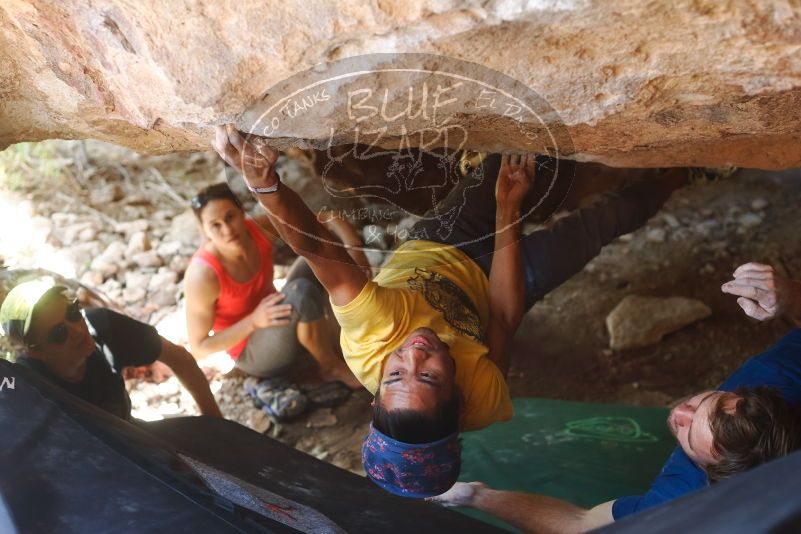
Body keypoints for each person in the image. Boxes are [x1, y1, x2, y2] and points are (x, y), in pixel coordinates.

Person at [211, 124, 689, 497]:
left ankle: (509, 178)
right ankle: (680, 172)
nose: (414, 354)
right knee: (601, 224)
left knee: (524, 152)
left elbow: (320, 253)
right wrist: (508, 211)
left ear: (376, 396)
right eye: (430, 376)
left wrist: (264, 183)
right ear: (458, 401)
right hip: (498, 286)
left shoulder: (373, 335)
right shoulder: (480, 402)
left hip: (442, 241)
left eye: (396, 375)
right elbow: (502, 318)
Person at [430, 261, 801, 531]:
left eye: (689, 435)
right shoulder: (778, 377)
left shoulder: (682, 500)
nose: (679, 413)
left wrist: (477, 497)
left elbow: (580, 524)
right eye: (704, 402)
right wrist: (790, 297)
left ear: (709, 471)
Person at [184, 183, 363, 420]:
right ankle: (330, 367)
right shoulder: (202, 275)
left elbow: (325, 219)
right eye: (215, 225)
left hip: (276, 313)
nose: (227, 230)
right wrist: (253, 321)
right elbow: (199, 348)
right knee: (300, 293)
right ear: (203, 231)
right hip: (252, 352)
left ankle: (354, 325)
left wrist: (355, 248)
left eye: (230, 217)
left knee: (320, 254)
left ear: (241, 211)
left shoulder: (258, 229)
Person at [0, 277, 222, 420]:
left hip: (131, 436)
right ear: (36, 353)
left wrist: (215, 422)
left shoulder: (103, 326)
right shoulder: (27, 388)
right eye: (58, 333)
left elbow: (180, 358)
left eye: (73, 313)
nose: (77, 329)